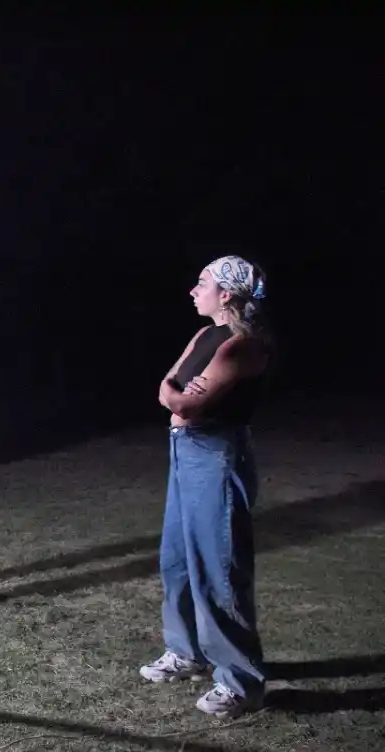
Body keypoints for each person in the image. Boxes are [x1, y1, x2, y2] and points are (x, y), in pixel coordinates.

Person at [141, 255, 271, 719]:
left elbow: (185, 403)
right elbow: (168, 388)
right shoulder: (206, 336)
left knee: (219, 566)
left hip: (215, 454)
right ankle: (186, 652)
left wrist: (180, 397)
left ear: (228, 295)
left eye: (203, 284)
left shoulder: (242, 346)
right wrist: (178, 396)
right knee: (175, 559)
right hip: (185, 449)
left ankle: (240, 681)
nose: (193, 291)